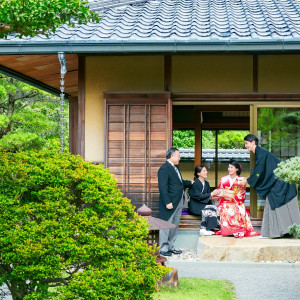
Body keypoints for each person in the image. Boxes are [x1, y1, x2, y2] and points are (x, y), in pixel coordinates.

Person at [239, 134, 300, 238]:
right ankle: (272, 233)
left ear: (253, 142)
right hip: (278, 183)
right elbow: (261, 172)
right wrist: (248, 179)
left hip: (281, 183)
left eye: (246, 143)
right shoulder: (261, 153)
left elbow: (259, 172)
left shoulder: (261, 153)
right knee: (272, 204)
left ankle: (274, 233)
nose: (246, 146)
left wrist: (247, 180)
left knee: (274, 204)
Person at [158, 148, 193, 256]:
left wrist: (190, 182)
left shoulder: (175, 168)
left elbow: (179, 183)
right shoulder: (164, 169)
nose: (179, 158)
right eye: (178, 155)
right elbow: (163, 187)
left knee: (174, 225)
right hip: (170, 202)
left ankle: (170, 247)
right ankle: (163, 249)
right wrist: (167, 202)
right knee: (166, 224)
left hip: (178, 201)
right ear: (172, 156)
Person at [216, 160, 260, 238]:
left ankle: (237, 230)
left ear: (237, 169)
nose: (229, 169)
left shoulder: (242, 180)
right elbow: (220, 190)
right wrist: (221, 194)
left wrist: (230, 195)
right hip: (225, 202)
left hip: (236, 202)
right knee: (226, 208)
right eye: (229, 167)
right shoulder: (223, 179)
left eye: (231, 167)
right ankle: (233, 230)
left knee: (236, 209)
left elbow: (241, 193)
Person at [188, 165, 220, 236]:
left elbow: (207, 195)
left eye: (206, 170)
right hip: (195, 205)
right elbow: (198, 196)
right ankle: (203, 228)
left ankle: (212, 227)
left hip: (203, 204)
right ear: (198, 173)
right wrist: (210, 194)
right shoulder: (194, 183)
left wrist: (211, 197)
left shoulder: (207, 183)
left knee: (214, 208)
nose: (206, 172)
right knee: (209, 209)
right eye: (204, 171)